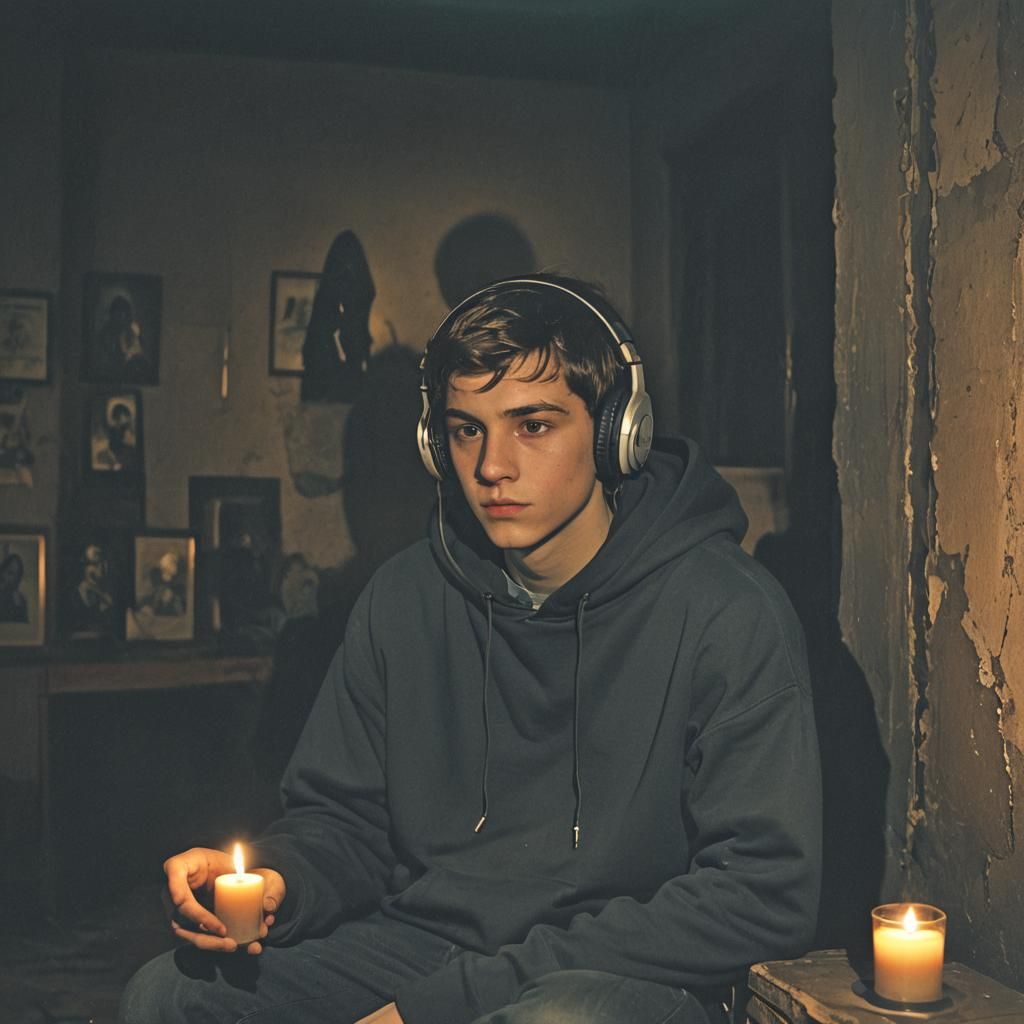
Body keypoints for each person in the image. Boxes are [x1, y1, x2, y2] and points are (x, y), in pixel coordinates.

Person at [120, 275, 821, 1024]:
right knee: (169, 996)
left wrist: (438, 1008)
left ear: (620, 434)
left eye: (534, 425)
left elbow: (762, 892)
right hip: (423, 944)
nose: (492, 467)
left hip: (617, 974)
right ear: (435, 443)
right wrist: (278, 881)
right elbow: (346, 823)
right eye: (466, 430)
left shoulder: (727, 610)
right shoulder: (404, 597)